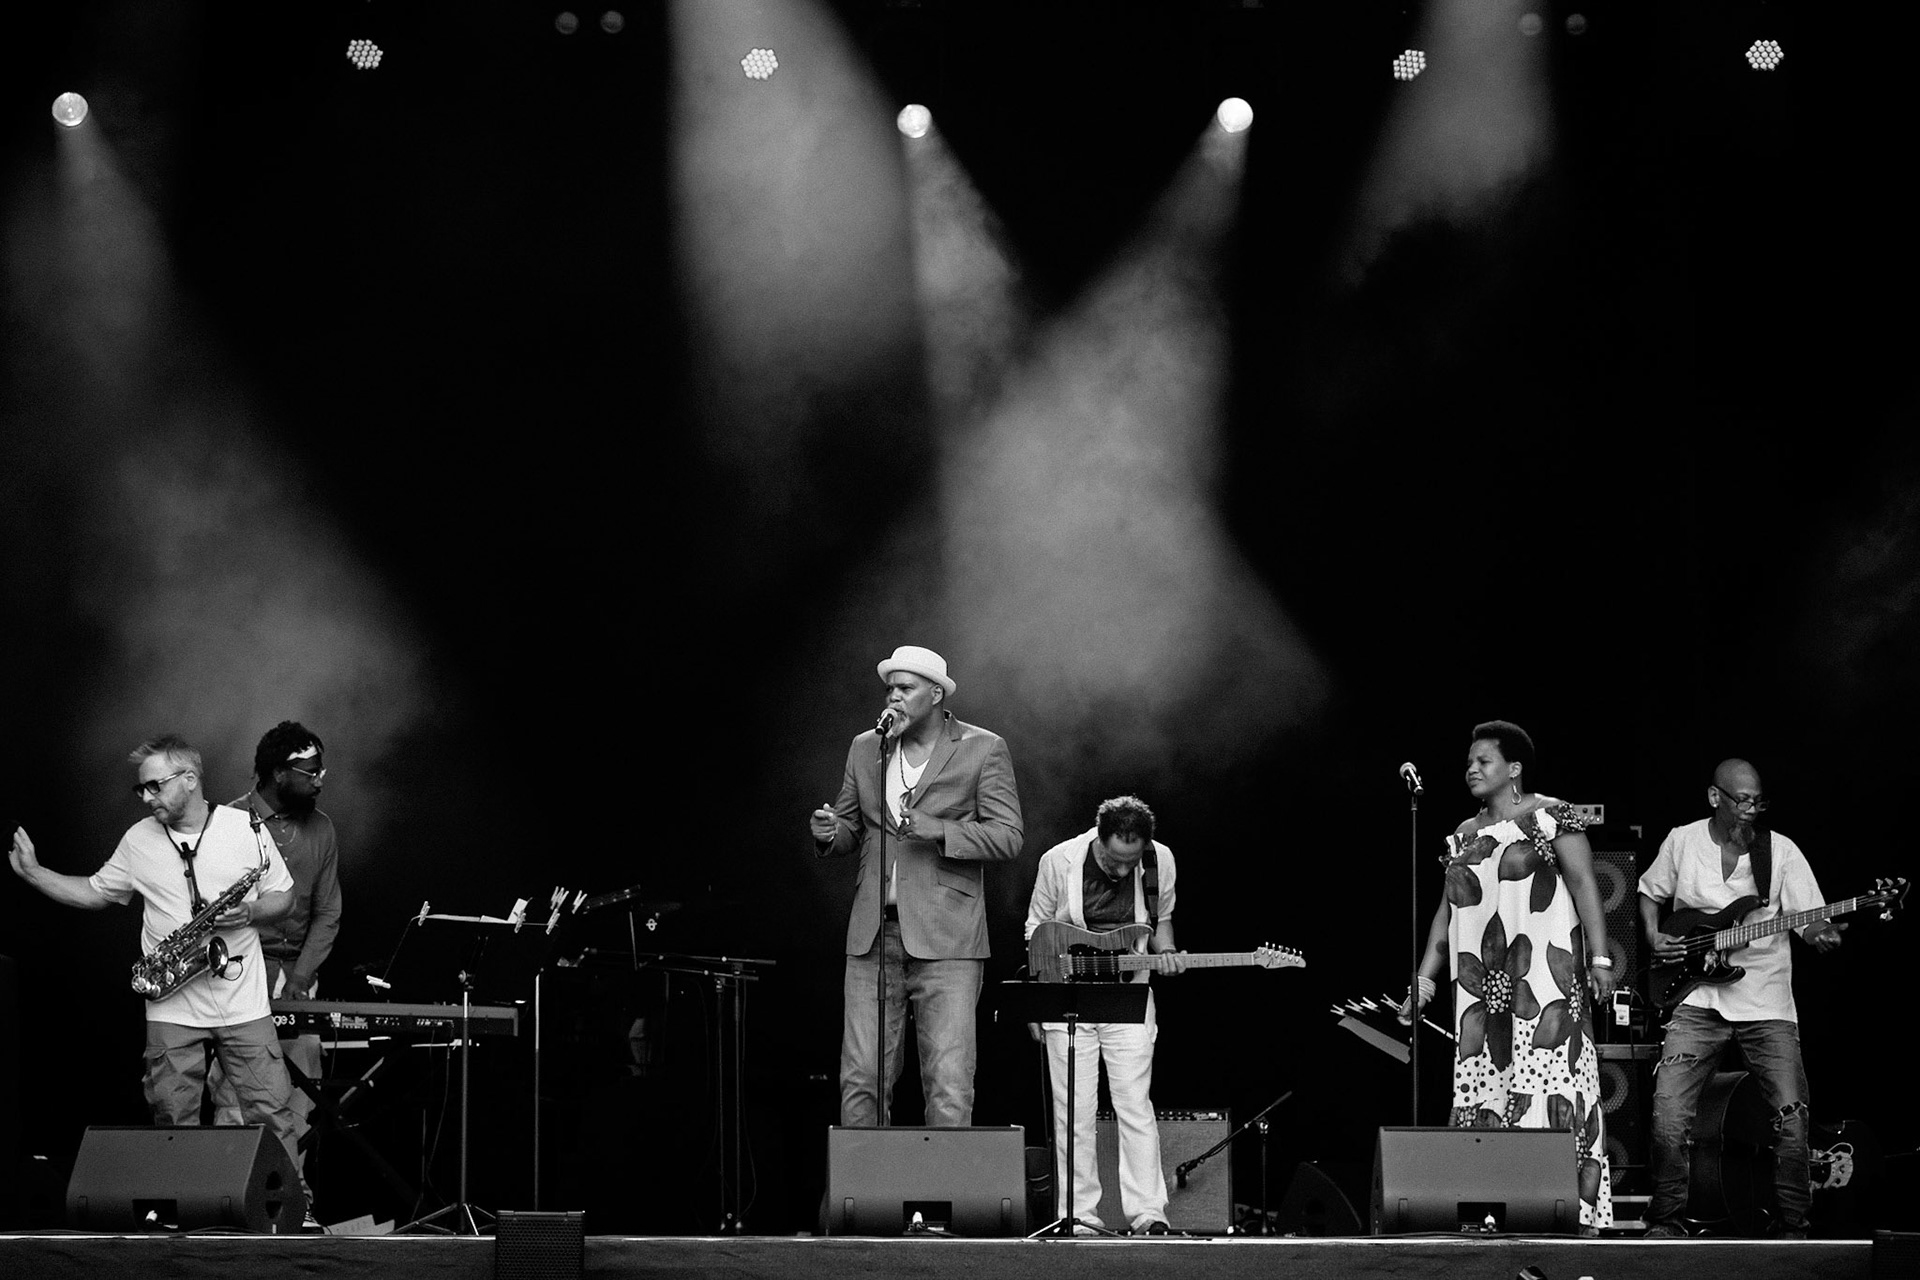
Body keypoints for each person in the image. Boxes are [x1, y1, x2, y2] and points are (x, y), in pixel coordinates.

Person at [8, 735, 305, 1190]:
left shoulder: (244, 828)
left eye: (154, 786)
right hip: (171, 1000)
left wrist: (249, 911)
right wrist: (33, 872)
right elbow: (93, 892)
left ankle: (291, 1207)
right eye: (141, 789)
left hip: (242, 998)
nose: (146, 798)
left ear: (189, 780)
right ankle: (184, 1208)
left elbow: (284, 897)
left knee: (273, 1112)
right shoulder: (138, 840)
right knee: (172, 1119)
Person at [1402, 720, 1619, 1231]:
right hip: (1482, 988)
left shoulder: (1550, 815)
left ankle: (1569, 1207)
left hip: (1543, 978)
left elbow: (1585, 883)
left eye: (1484, 761)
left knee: (1551, 1082)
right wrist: (1426, 979)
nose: (1471, 769)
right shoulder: (1463, 834)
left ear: (1513, 769)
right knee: (1489, 1087)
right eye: (1469, 762)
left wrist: (1601, 960)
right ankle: (1491, 1208)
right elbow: (1446, 913)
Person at [810, 645, 1024, 1127]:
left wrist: (940, 831)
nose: (894, 698)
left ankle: (942, 1200)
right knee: (862, 1078)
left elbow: (1008, 836)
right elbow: (849, 827)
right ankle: (864, 1200)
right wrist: (830, 833)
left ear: (935, 693)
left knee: (948, 1083)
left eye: (905, 689)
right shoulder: (867, 747)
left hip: (948, 939)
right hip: (873, 936)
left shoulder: (982, 747)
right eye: (890, 688)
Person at [1637, 758, 1841, 1240]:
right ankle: (1665, 1220)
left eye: (1757, 801)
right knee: (1668, 1115)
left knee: (1791, 1118)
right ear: (1715, 798)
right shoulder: (1682, 841)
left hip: (1766, 1001)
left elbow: (1810, 918)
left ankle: (1795, 1225)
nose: (1750, 809)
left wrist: (1819, 933)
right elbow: (1649, 893)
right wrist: (1652, 935)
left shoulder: (1780, 852)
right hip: (1696, 997)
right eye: (1741, 800)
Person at [1025, 795, 1187, 1234]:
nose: (1120, 870)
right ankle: (1077, 1215)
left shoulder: (1160, 861)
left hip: (1128, 996)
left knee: (1135, 1106)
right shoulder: (1059, 860)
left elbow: (1162, 920)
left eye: (1129, 862)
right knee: (1072, 1111)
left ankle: (1149, 1213)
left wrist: (1167, 954)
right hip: (1068, 995)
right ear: (1099, 839)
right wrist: (1038, 994)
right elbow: (1036, 924)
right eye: (1114, 860)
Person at [208, 721, 343, 1182]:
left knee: (301, 1089)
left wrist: (302, 977)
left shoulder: (322, 828)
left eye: (321, 768)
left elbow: (328, 913)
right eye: (310, 770)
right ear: (278, 773)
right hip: (241, 970)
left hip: (296, 973)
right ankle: (226, 1192)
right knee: (233, 1089)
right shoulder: (226, 821)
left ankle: (289, 1195)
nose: (320, 778)